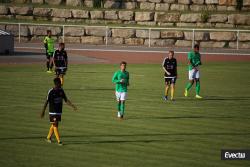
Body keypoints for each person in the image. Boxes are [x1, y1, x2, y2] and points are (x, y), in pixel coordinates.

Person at [41, 78, 77, 146]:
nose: (61, 84)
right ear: (56, 84)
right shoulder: (51, 92)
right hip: (52, 112)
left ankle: (48, 138)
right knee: (55, 125)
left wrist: (72, 106)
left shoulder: (61, 91)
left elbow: (66, 100)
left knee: (54, 125)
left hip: (59, 112)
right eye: (60, 83)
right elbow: (46, 102)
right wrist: (43, 111)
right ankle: (59, 141)